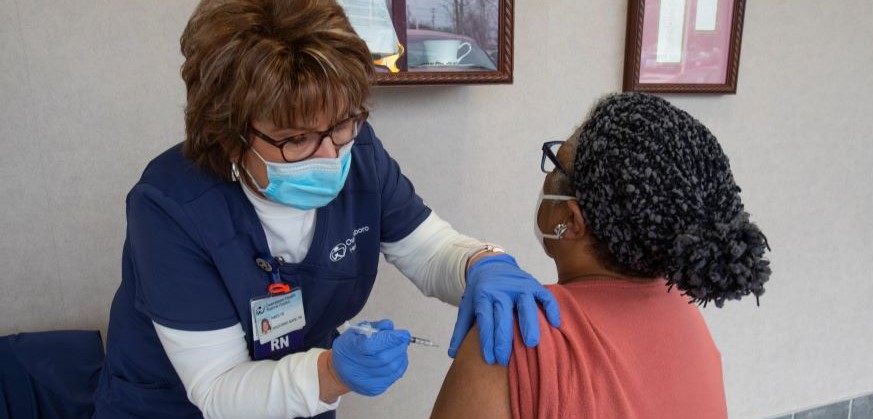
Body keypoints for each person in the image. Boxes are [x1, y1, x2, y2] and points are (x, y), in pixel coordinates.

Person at [92, 1, 560, 418]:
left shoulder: (356, 152)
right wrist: (334, 374)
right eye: (296, 138)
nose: (330, 155)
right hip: (176, 404)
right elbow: (218, 388)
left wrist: (482, 263)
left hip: (305, 388)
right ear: (227, 135)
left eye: (343, 123)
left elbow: (425, 247)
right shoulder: (171, 206)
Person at [431, 92, 771, 419]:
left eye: (555, 165)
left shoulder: (512, 338)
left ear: (571, 220)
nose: (547, 179)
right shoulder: (688, 318)